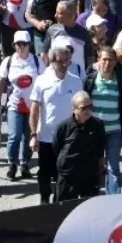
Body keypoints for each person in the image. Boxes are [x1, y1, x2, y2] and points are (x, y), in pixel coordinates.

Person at [28, 44, 83, 205]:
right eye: (60, 61)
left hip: (69, 137)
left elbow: (80, 109)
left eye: (67, 60)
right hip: (46, 137)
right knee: (45, 172)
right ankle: (44, 199)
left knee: (65, 173)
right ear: (52, 62)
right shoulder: (42, 80)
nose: (64, 64)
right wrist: (33, 135)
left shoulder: (76, 81)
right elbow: (35, 109)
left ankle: (59, 202)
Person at [0, 30, 42, 181]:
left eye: (24, 44)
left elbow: (43, 81)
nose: (21, 47)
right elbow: (1, 82)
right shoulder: (8, 61)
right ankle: (12, 165)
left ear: (29, 45)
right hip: (14, 104)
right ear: (14, 45)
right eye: (18, 44)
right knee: (14, 135)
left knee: (28, 136)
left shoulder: (36, 61)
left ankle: (25, 164)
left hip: (32, 105)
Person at [83, 47, 122, 194]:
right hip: (93, 131)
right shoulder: (90, 80)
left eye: (110, 60)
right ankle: (92, 197)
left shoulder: (121, 82)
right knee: (92, 166)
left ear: (115, 62)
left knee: (113, 167)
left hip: (114, 130)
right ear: (98, 60)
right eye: (104, 59)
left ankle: (113, 200)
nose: (107, 63)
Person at [50, 91, 107, 200]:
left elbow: (100, 148)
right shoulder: (63, 127)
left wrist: (100, 166)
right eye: (83, 108)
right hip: (68, 173)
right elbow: (57, 148)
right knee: (63, 208)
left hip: (89, 172)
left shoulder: (98, 125)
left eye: (90, 106)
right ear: (74, 109)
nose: (88, 110)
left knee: (89, 208)